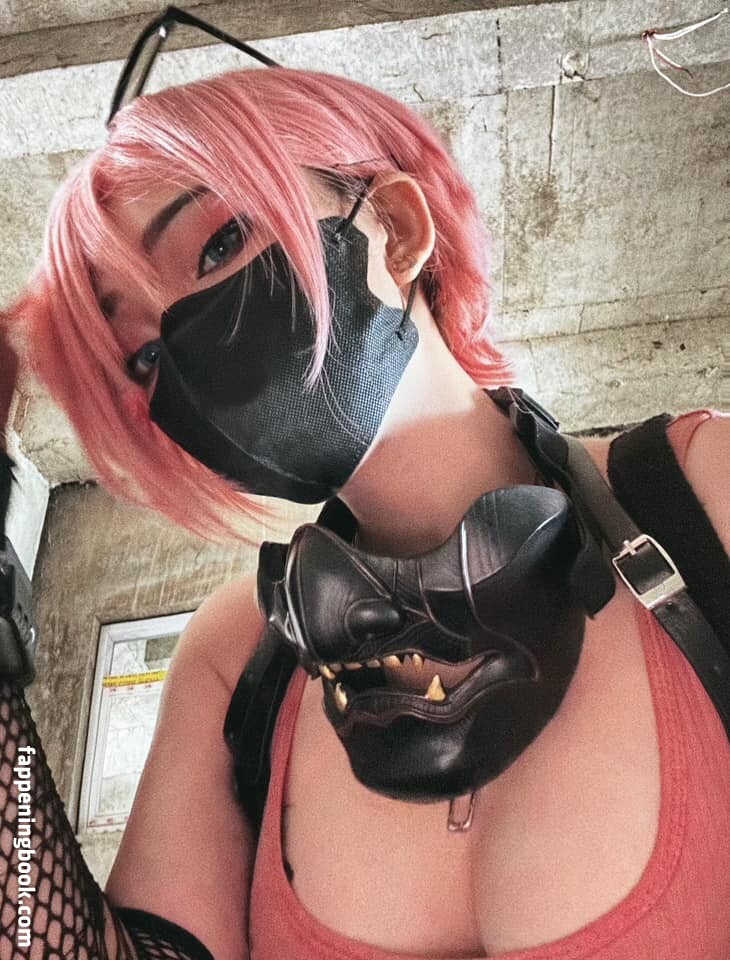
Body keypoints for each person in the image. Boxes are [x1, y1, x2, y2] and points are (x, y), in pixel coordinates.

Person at [1, 18, 729, 960]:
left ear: (397, 226)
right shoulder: (234, 657)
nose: (185, 347)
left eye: (219, 245)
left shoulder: (703, 495)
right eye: (142, 357)